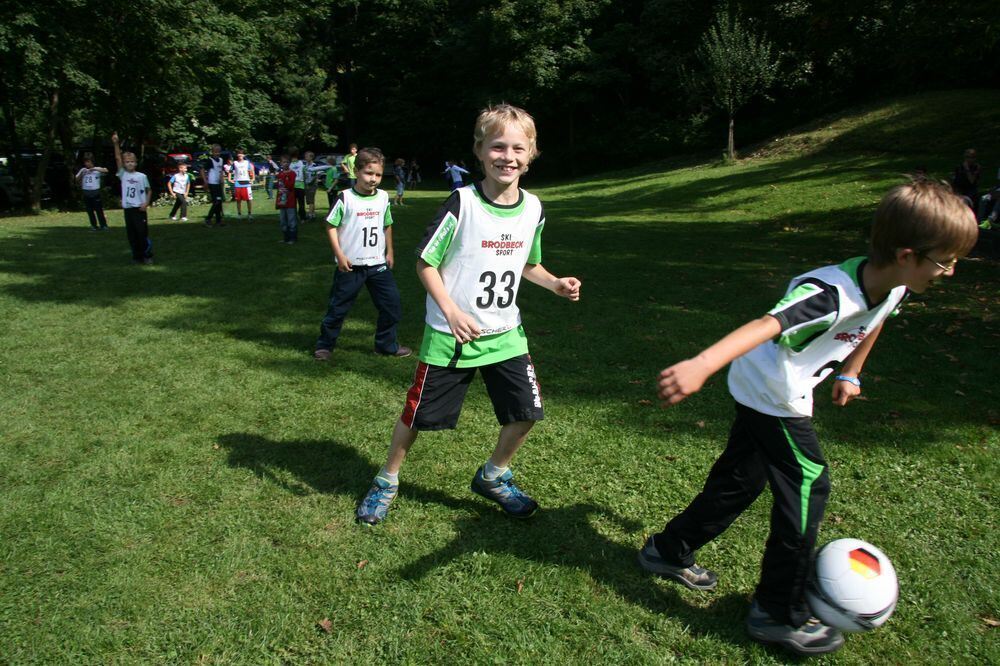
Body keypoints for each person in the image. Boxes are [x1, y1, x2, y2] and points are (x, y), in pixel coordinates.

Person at [639, 179, 978, 657]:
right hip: (771, 393)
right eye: (945, 261)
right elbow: (766, 326)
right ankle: (777, 613)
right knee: (808, 482)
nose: (950, 271)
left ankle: (667, 550)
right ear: (907, 254)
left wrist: (852, 372)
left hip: (779, 387)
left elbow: (874, 321)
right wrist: (701, 364)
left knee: (740, 480)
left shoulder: (893, 285)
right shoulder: (828, 292)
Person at [355, 104, 582, 526]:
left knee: (526, 413)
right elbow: (425, 262)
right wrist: (451, 310)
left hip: (506, 333)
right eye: (497, 146)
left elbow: (527, 263)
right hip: (452, 335)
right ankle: (386, 480)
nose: (507, 157)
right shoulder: (462, 202)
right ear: (479, 151)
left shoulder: (534, 208)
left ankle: (493, 476)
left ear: (531, 154)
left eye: (518, 148)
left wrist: (554, 283)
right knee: (417, 415)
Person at [313, 147, 411, 362]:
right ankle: (325, 346)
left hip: (377, 264)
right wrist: (339, 255)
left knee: (391, 304)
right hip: (351, 265)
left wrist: (390, 251)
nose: (373, 179)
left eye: (377, 174)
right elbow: (330, 226)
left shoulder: (383, 197)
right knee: (338, 308)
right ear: (356, 171)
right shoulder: (345, 198)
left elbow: (387, 224)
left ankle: (386, 345)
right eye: (368, 173)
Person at [111, 131, 154, 265]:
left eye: (132, 162)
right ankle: (136, 256)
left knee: (142, 233)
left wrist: (146, 203)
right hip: (128, 209)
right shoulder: (123, 174)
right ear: (124, 164)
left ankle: (147, 255)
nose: (129, 164)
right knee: (132, 235)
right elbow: (117, 157)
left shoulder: (141, 176)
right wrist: (116, 144)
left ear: (136, 163)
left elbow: (149, 190)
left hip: (139, 208)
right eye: (127, 162)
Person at [76, 152, 109, 231]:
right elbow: (77, 178)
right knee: (90, 211)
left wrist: (94, 168)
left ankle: (103, 225)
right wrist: (81, 173)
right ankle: (93, 225)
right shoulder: (83, 170)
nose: (87, 164)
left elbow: (106, 170)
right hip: (86, 193)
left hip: (95, 193)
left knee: (99, 210)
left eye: (89, 162)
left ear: (92, 162)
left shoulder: (97, 170)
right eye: (85, 162)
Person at [273, 156, 298, 244]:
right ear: (281, 163)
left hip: (290, 200)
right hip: (282, 200)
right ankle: (285, 237)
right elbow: (279, 186)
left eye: (287, 162)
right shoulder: (280, 174)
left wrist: (285, 178)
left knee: (291, 219)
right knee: (283, 220)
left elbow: (290, 185)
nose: (285, 164)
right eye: (284, 162)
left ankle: (292, 238)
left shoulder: (292, 173)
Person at [203, 144, 226, 227]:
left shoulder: (221, 160)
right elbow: (202, 170)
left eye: (219, 152)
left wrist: (222, 180)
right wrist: (205, 181)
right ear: (212, 152)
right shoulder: (210, 160)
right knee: (216, 202)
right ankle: (208, 219)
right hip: (212, 183)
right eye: (215, 152)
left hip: (218, 183)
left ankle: (218, 221)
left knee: (219, 202)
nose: (217, 153)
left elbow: (220, 171)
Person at [230, 149, 255, 220]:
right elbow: (230, 171)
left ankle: (249, 214)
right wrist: (230, 179)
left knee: (249, 199)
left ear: (244, 155)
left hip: (246, 183)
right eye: (238, 154)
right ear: (237, 155)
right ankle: (239, 214)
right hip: (238, 183)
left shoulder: (247, 162)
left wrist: (252, 178)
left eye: (241, 154)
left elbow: (252, 170)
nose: (240, 155)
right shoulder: (235, 163)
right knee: (238, 200)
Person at [288, 147, 307, 223]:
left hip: (292, 185)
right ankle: (303, 218)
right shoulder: (301, 163)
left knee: (293, 203)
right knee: (301, 203)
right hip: (301, 185)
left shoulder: (289, 164)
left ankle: (294, 218)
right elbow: (304, 173)